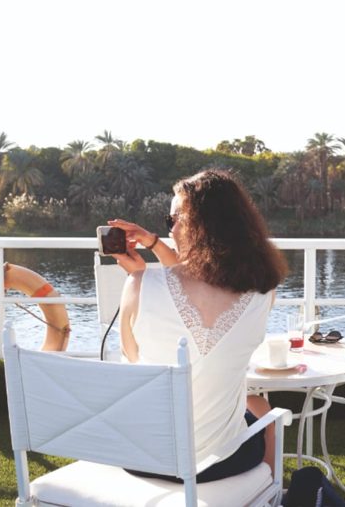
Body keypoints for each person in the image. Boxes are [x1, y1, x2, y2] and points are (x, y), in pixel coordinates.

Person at [109, 169, 288, 483]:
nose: (171, 231)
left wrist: (141, 276)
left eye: (173, 221)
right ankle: (267, 495)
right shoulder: (263, 294)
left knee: (252, 404)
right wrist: (152, 248)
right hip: (220, 462)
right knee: (261, 407)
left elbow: (132, 358)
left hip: (144, 458)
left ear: (200, 225)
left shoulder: (139, 284)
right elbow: (206, 280)